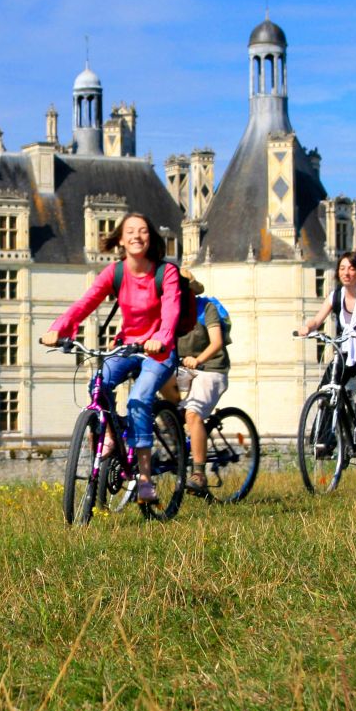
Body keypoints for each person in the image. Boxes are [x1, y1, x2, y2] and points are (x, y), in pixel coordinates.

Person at [39, 212, 181, 504]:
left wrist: (161, 338)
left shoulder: (165, 273)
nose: (136, 236)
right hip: (127, 346)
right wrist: (58, 329)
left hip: (159, 350)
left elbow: (171, 311)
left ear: (151, 238)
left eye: (142, 231)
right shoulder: (115, 273)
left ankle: (144, 479)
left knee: (139, 399)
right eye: (130, 231)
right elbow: (85, 303)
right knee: (98, 383)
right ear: (120, 239)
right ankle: (112, 436)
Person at [296, 251, 356, 454]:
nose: (346, 272)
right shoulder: (336, 296)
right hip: (348, 350)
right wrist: (308, 328)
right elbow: (317, 319)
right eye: (342, 268)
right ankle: (322, 441)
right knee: (326, 388)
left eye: (351, 268)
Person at [162, 272, 229, 492]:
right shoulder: (169, 311)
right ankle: (180, 449)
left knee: (193, 413)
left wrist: (199, 359)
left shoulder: (205, 308)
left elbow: (217, 342)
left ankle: (199, 473)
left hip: (210, 369)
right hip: (182, 369)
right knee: (163, 407)